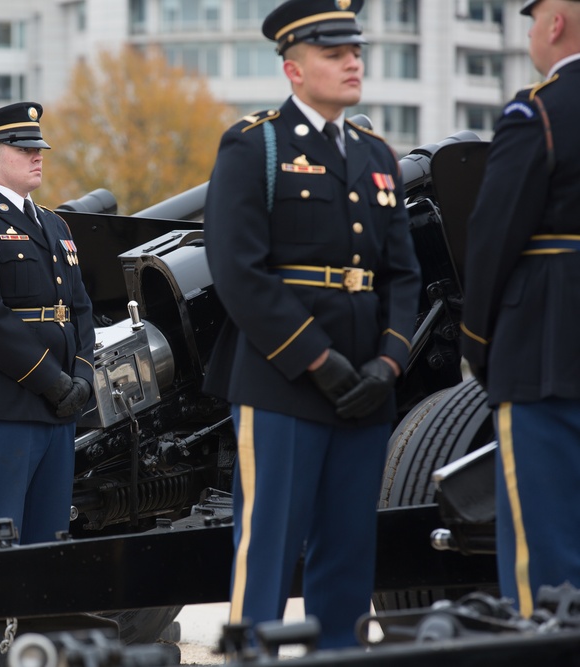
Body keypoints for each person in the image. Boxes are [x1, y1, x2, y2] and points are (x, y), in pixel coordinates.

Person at [201, 0, 421, 649]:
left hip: (365, 392)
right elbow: (239, 271)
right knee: (268, 548)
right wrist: (320, 360)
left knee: (349, 557)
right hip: (282, 384)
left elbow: (403, 276)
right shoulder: (256, 144)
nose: (353, 62)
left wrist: (389, 363)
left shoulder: (378, 155)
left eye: (355, 50)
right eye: (334, 53)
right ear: (294, 69)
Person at [461, 0, 580, 620]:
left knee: (545, 555)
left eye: (532, 20)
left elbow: (493, 238)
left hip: (546, 351)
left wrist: (478, 344)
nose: (531, 32)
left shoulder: (537, 111)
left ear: (554, 24)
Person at [0, 102, 95, 549]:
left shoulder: (54, 223)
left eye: (38, 147)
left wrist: (82, 377)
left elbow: (79, 308)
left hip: (60, 406)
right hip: (4, 404)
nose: (37, 155)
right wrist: (51, 380)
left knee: (50, 539)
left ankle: (35, 624)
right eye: (24, 148)